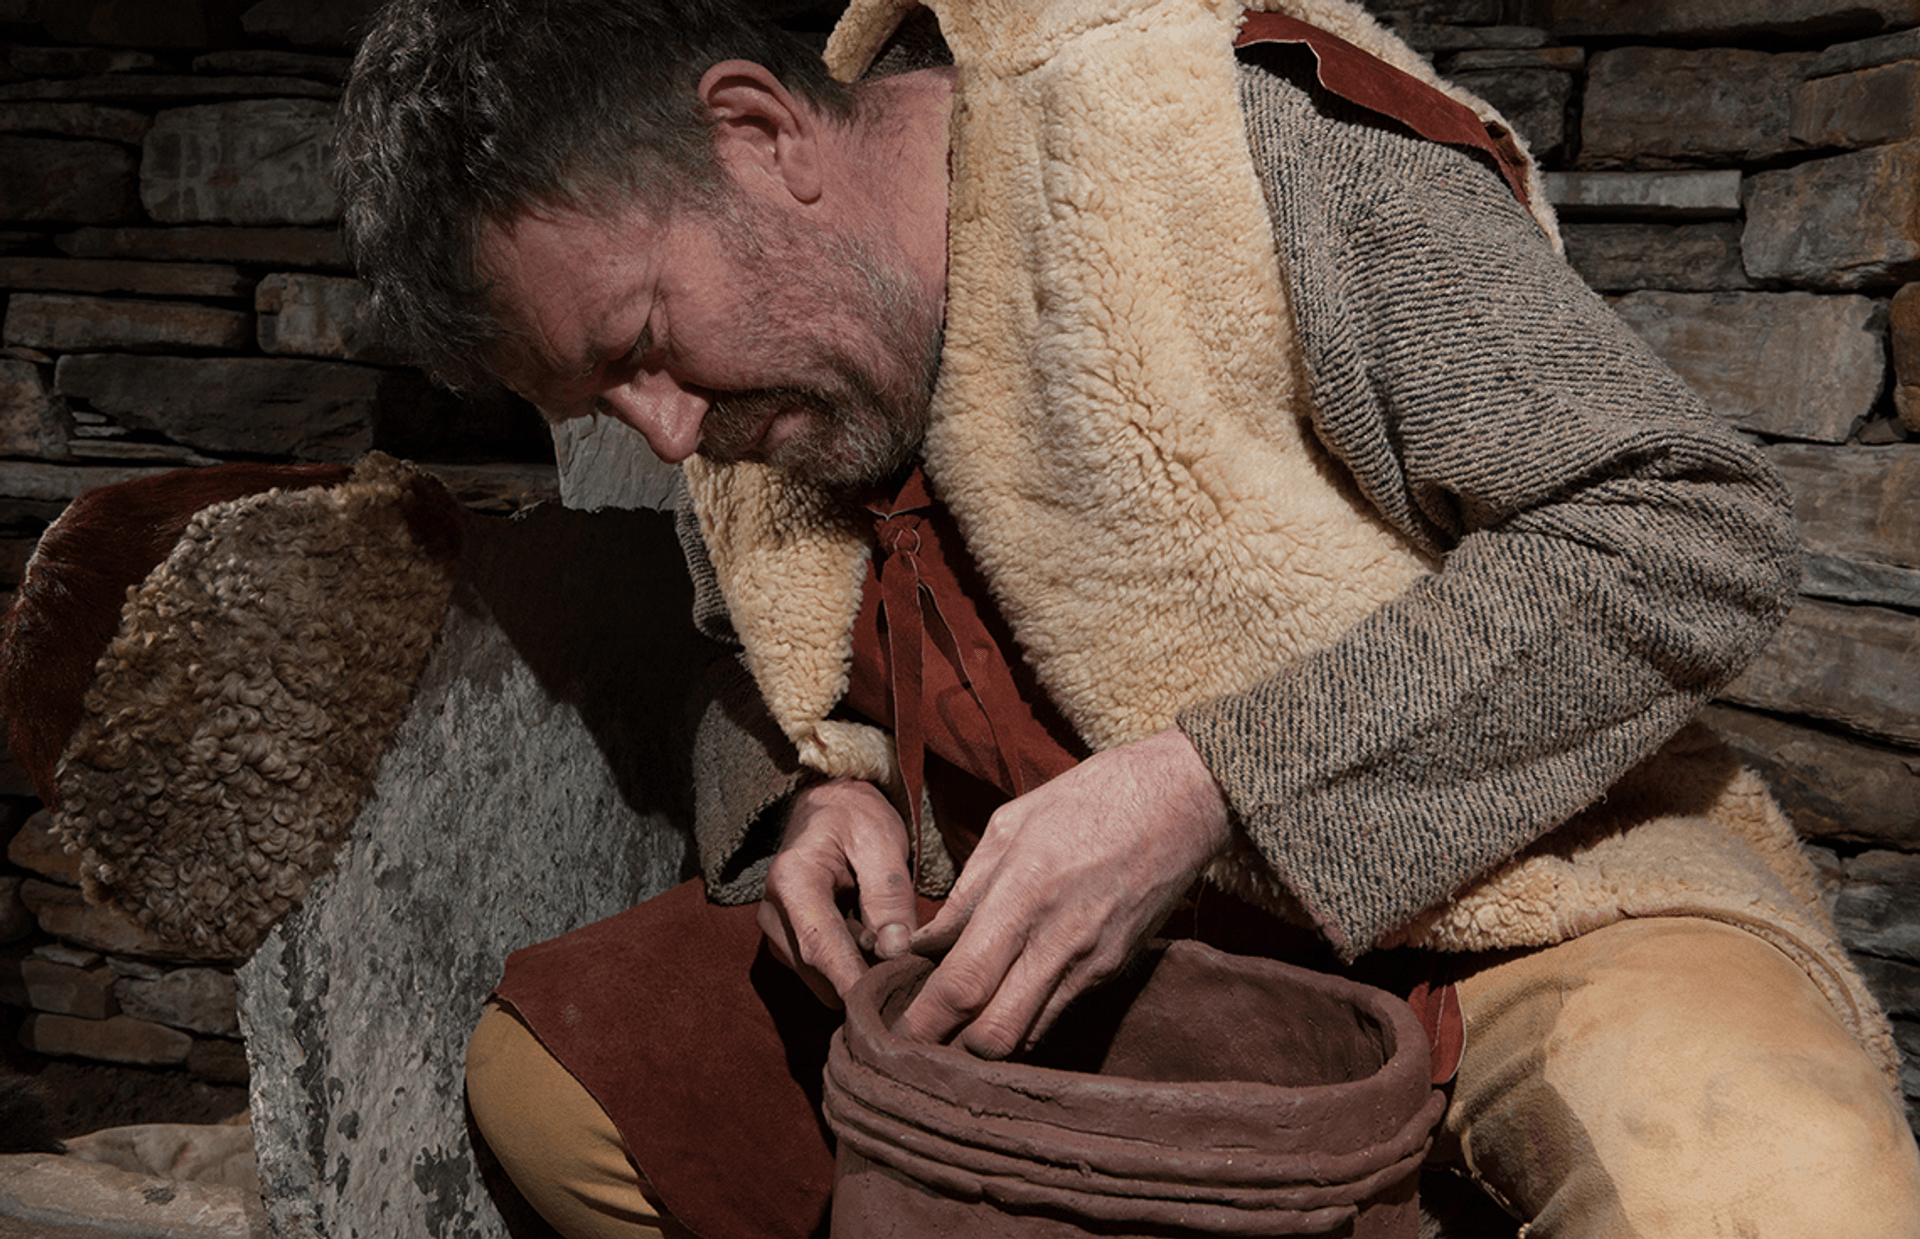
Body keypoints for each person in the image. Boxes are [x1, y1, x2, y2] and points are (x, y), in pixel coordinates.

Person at [337, 1, 1920, 1235]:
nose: (669, 431)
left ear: (758, 133)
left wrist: (1207, 783)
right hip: (1049, 979)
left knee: (1781, 1188)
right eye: (603, 399)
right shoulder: (757, 395)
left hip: (1489, 911)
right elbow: (750, 663)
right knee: (562, 1080)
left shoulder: (1229, 143)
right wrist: (802, 800)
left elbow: (1685, 530)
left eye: (641, 341)